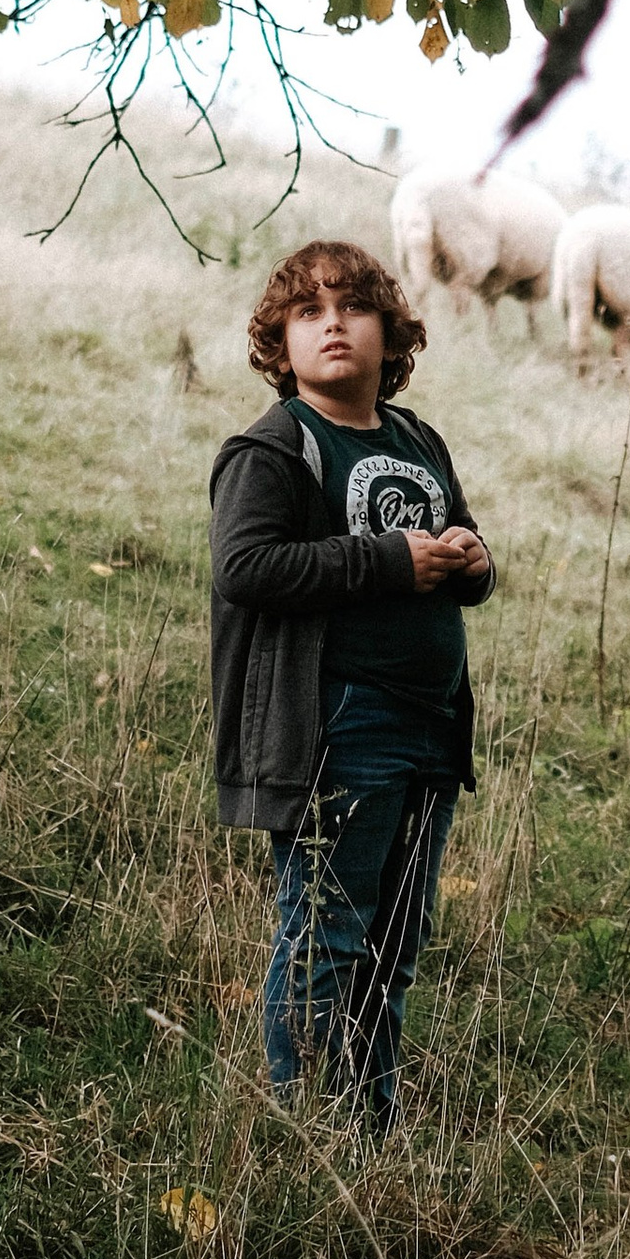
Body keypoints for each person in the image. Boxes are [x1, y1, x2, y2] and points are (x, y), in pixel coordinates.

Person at [208, 238, 493, 1133]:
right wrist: (384, 561)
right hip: (340, 724)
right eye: (309, 312)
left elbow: (458, 551)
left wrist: (473, 563)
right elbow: (246, 566)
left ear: (389, 332)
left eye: (353, 308)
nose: (334, 324)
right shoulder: (276, 448)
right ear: (279, 344)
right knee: (326, 936)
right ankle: (302, 1131)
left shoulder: (418, 440)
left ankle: (368, 1124)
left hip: (431, 727)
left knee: (395, 943)